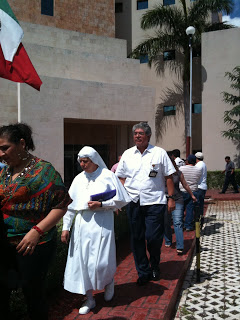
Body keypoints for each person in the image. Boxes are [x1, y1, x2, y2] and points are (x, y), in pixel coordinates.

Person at [0, 123, 72, 320]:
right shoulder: (4, 172)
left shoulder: (43, 171)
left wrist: (37, 231)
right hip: (4, 245)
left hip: (34, 245)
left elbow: (61, 205)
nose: (0, 154)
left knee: (33, 295)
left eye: (5, 148)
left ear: (22, 144)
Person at [61, 146, 130, 315]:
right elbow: (70, 206)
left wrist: (102, 204)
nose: (82, 164)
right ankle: (89, 298)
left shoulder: (108, 176)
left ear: (94, 160)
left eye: (86, 161)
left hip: (102, 222)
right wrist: (65, 227)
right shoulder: (78, 179)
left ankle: (108, 281)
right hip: (82, 225)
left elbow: (121, 199)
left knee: (101, 261)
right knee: (83, 262)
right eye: (80, 161)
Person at [116, 122, 176, 286]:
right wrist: (118, 200)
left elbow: (169, 176)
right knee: (136, 238)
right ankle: (143, 271)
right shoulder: (127, 154)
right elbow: (121, 178)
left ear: (148, 136)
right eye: (135, 133)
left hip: (155, 202)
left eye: (141, 133)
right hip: (133, 202)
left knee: (153, 238)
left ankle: (155, 264)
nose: (137, 136)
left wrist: (171, 198)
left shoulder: (159, 153)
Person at [164, 157, 197, 254]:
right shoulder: (161, 174)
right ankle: (168, 240)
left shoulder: (178, 173)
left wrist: (192, 195)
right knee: (165, 222)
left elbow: (185, 185)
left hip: (177, 199)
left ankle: (180, 246)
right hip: (164, 200)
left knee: (177, 222)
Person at [179, 154, 201, 231]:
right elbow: (198, 179)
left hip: (182, 190)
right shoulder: (198, 170)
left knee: (180, 209)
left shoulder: (182, 168)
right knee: (190, 209)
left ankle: (180, 225)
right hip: (193, 190)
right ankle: (188, 225)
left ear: (187, 161)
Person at [195, 152, 207, 216]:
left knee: (198, 205)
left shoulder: (198, 165)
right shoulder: (203, 164)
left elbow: (196, 175)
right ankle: (200, 218)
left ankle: (198, 220)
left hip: (199, 186)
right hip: (203, 186)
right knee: (201, 205)